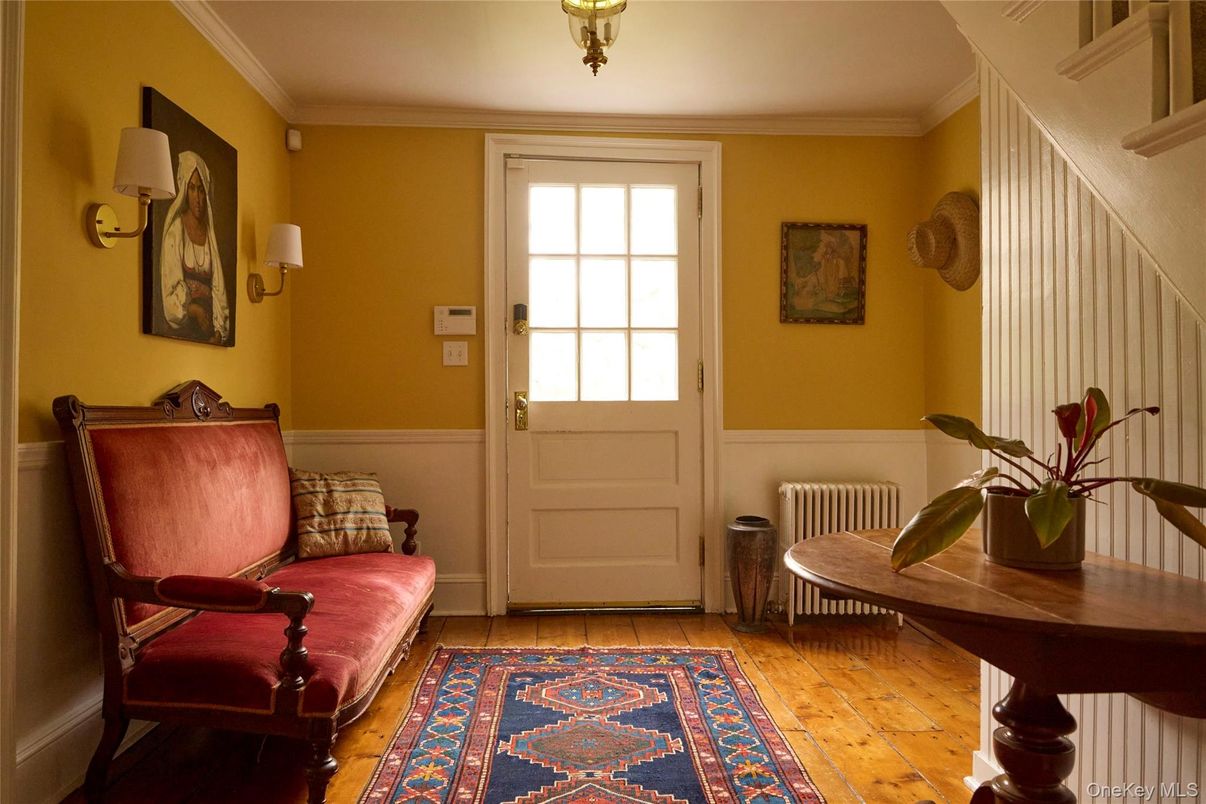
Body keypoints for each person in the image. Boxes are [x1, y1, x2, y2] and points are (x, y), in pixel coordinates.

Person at [159, 151, 229, 344]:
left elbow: (219, 287)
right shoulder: (176, 231)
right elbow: (169, 292)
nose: (197, 198)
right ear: (185, 190)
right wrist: (193, 310)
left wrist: (218, 332)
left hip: (208, 332)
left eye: (201, 190)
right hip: (184, 328)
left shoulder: (210, 234)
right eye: (192, 189)